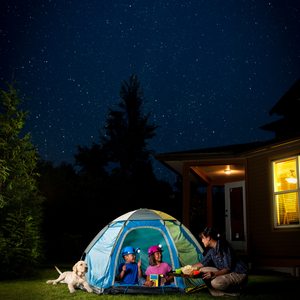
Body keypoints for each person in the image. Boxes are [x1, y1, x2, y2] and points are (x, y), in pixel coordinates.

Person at [192, 227, 248, 297]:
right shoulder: (212, 250)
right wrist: (185, 268)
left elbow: (227, 269)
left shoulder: (224, 248)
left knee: (216, 283)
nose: (202, 241)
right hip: (226, 272)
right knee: (202, 270)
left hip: (239, 274)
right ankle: (222, 292)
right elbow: (202, 263)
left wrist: (213, 274)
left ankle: (237, 293)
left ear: (208, 238)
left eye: (203, 238)